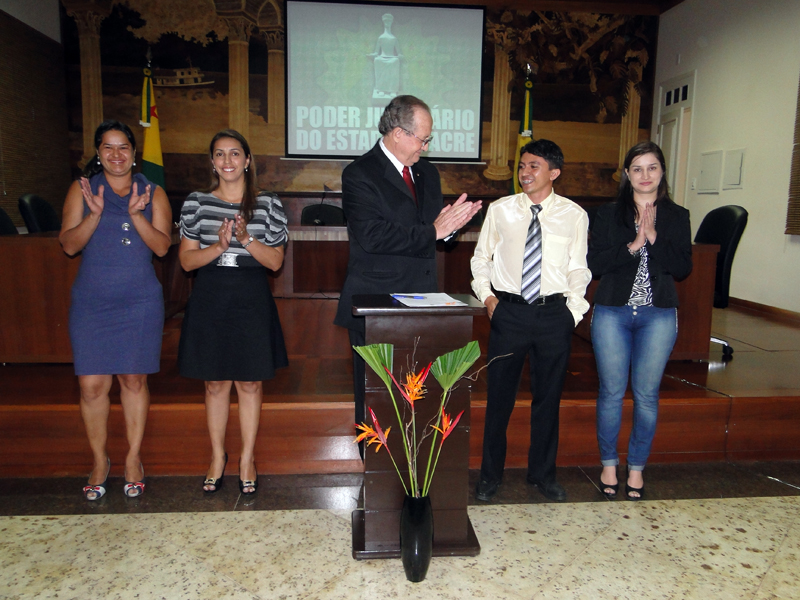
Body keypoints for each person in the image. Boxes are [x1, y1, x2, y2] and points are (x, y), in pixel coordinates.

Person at [334, 94, 481, 430]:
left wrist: (449, 229)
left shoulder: (427, 172)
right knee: (377, 397)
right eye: (422, 139)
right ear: (398, 133)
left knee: (418, 395)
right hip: (375, 303)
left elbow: (432, 231)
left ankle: (415, 459)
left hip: (423, 301)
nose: (425, 148)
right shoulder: (360, 173)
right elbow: (373, 236)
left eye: (428, 140)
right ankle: (376, 459)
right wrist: (434, 231)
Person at [471, 139, 591, 503]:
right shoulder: (501, 210)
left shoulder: (574, 215)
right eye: (522, 166)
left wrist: (573, 312)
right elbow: (481, 258)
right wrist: (488, 297)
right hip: (509, 312)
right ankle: (490, 476)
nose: (525, 173)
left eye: (533, 166)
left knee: (548, 399)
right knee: (499, 399)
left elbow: (578, 267)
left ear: (554, 172)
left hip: (554, 315)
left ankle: (542, 474)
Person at [60, 120, 172, 501]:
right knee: (91, 385)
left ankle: (133, 458)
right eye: (108, 147)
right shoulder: (82, 190)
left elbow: (162, 247)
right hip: (93, 302)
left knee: (133, 380)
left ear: (134, 153)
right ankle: (99, 460)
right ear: (98, 153)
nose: (116, 154)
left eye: (123, 146)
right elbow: (69, 245)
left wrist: (136, 214)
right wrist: (94, 214)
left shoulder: (153, 192)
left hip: (139, 301)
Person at [178, 129, 289, 495]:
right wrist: (218, 246)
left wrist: (245, 239)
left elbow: (275, 262)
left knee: (250, 382)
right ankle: (216, 457)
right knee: (214, 382)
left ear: (247, 160)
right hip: (211, 295)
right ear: (213, 162)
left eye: (235, 153)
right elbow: (186, 261)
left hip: (250, 296)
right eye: (220, 154)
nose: (227, 160)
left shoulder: (268, 203)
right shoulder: (196, 202)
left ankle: (247, 459)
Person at [588, 141, 692, 501]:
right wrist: (634, 245)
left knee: (647, 395)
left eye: (652, 167)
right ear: (627, 174)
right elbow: (595, 264)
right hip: (613, 313)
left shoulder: (677, 216)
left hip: (657, 315)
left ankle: (636, 468)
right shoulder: (608, 214)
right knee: (612, 393)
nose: (645, 175)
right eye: (637, 168)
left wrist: (654, 238)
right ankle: (608, 464)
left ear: (662, 172)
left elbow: (682, 268)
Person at [368, 13, 402, 98]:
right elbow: (376, 52)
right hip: (382, 58)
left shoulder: (394, 38)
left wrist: (400, 56)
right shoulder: (381, 38)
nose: (387, 23)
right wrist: (371, 55)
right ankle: (381, 89)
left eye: (389, 21)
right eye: (386, 21)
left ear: (391, 23)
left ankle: (392, 90)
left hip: (392, 58)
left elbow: (399, 52)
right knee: (377, 60)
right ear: (383, 23)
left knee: (395, 61)